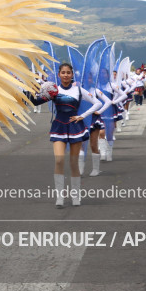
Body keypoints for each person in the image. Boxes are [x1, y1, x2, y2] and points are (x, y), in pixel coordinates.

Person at [31, 63, 101, 207]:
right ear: (59, 74)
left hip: (75, 127)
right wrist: (28, 90)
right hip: (59, 126)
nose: (66, 75)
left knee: (74, 163)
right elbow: (35, 102)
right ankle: (60, 197)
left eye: (68, 72)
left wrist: (82, 116)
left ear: (72, 74)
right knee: (59, 160)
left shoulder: (79, 90)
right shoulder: (53, 90)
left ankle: (76, 196)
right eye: (63, 72)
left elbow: (97, 103)